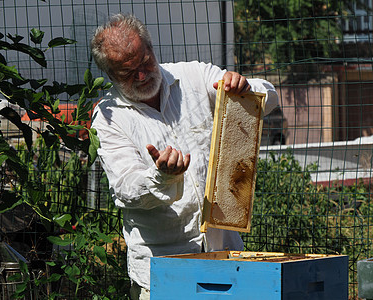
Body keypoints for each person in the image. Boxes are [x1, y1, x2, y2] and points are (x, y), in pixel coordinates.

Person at [90, 13, 278, 299]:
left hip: (225, 253)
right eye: (128, 73)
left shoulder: (194, 75)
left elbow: (266, 99)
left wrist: (244, 87)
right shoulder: (108, 118)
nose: (141, 75)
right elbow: (127, 190)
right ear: (110, 74)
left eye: (144, 63)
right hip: (163, 267)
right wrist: (161, 177)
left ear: (151, 49)